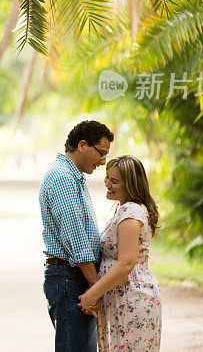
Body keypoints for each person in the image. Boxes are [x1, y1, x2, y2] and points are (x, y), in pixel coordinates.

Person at [40, 120, 114, 351]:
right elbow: (76, 239)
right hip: (69, 278)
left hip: (73, 278)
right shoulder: (62, 177)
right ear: (82, 145)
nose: (103, 162)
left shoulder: (72, 176)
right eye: (101, 153)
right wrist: (96, 288)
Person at [77, 155, 162, 352]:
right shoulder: (122, 208)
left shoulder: (131, 212)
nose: (107, 184)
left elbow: (126, 263)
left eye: (114, 181)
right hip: (122, 295)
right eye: (107, 178)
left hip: (131, 295)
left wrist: (92, 294)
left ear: (131, 185)